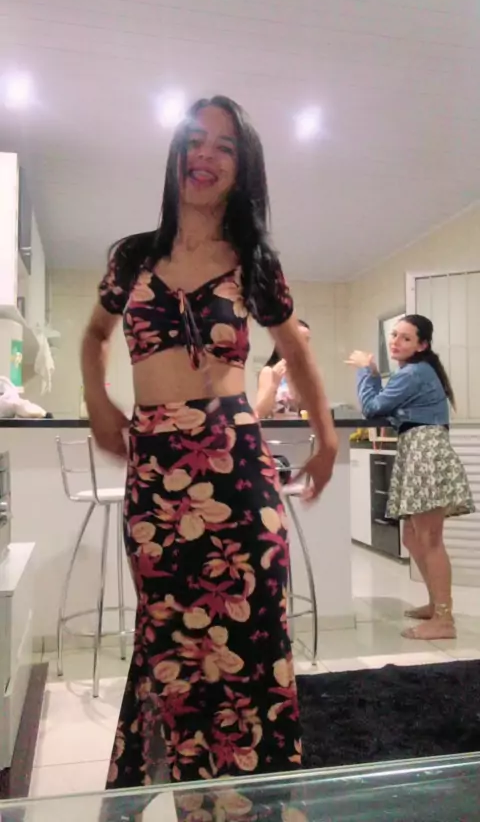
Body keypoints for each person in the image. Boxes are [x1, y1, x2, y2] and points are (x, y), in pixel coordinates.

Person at [81, 96, 337, 817]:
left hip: (236, 463)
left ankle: (254, 799)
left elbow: (297, 352)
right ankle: (197, 800)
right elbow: (94, 336)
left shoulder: (254, 263)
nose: (205, 154)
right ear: (175, 155)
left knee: (251, 626)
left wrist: (328, 437)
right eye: (195, 140)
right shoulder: (132, 257)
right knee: (171, 632)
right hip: (157, 466)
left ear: (242, 168)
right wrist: (98, 399)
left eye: (224, 146)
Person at [346, 314, 474, 641]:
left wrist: (366, 371)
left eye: (405, 337)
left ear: (422, 345)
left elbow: (373, 407)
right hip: (416, 449)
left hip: (424, 451)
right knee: (414, 538)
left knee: (429, 539)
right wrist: (374, 377)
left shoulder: (414, 372)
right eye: (394, 335)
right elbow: (384, 406)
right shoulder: (414, 372)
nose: (396, 342)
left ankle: (444, 619)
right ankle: (435, 605)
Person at [255, 321, 311, 417]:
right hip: (276, 426)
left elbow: (307, 411)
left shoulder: (302, 374)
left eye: (307, 341)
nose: (305, 347)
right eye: (301, 341)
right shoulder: (269, 371)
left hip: (299, 426)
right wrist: (274, 384)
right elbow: (259, 413)